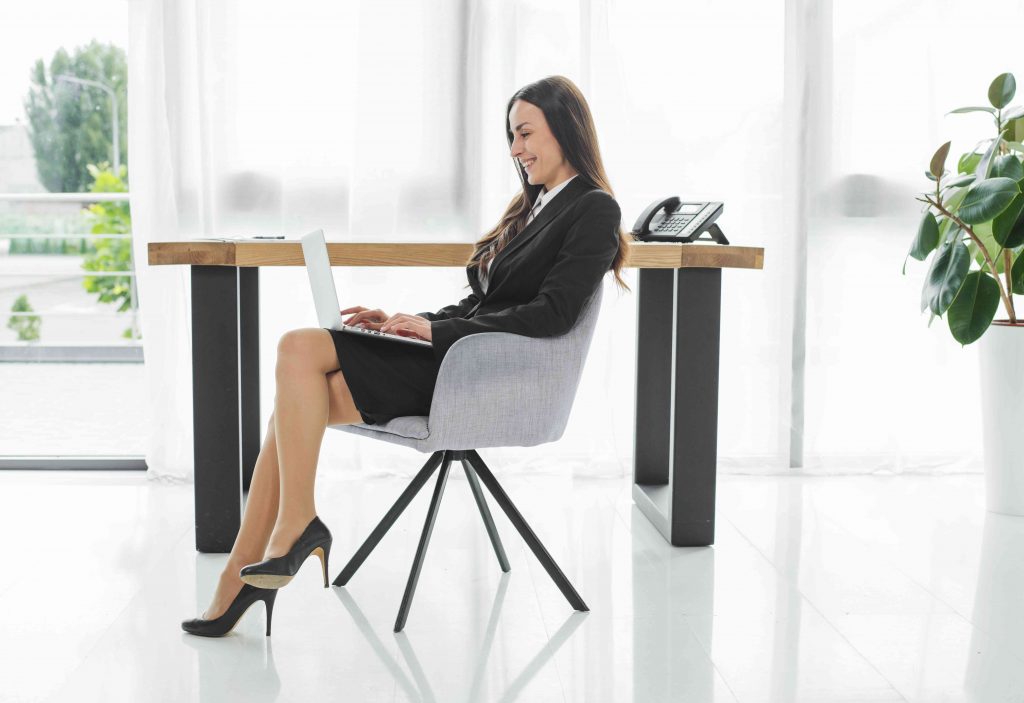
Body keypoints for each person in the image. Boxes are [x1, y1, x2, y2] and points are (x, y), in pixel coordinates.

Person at [181, 74, 631, 637]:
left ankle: (293, 529)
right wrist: (405, 323)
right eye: (512, 137)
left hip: (476, 375)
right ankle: (243, 577)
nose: (516, 150)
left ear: (565, 128)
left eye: (524, 134)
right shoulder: (535, 205)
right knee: (293, 405)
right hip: (456, 354)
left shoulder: (593, 209)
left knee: (297, 348)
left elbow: (553, 313)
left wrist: (436, 336)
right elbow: (482, 301)